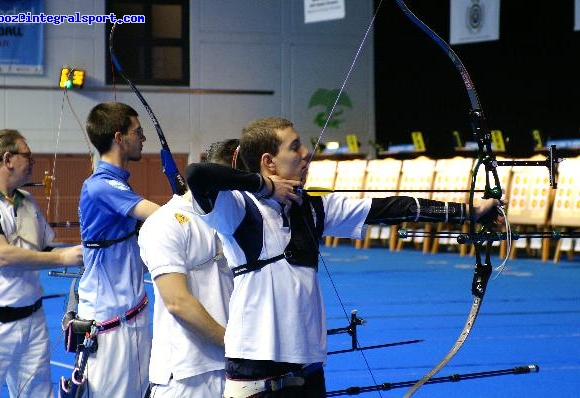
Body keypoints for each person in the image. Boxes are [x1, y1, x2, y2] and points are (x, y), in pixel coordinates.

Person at [185, 117, 505, 397]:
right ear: (269, 161)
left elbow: (394, 208)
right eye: (295, 147)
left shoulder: (313, 207)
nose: (306, 154)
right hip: (255, 369)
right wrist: (263, 186)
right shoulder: (239, 209)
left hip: (308, 367)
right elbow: (198, 173)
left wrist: (469, 212)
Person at [0, 129, 83, 398]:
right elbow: (1, 254)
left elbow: (45, 248)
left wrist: (86, 252)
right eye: (27, 155)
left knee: (38, 393)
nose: (32, 161)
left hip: (33, 319)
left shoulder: (25, 200)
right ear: (8, 159)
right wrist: (63, 257)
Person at [138, 139, 243, 397]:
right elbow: (177, 302)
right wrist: (233, 344)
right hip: (186, 376)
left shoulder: (233, 217)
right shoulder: (165, 223)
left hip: (232, 369)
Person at [77, 102, 160, 397]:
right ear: (118, 137)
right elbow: (161, 216)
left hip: (133, 315)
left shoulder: (118, 184)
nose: (143, 138)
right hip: (111, 325)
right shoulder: (100, 186)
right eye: (137, 132)